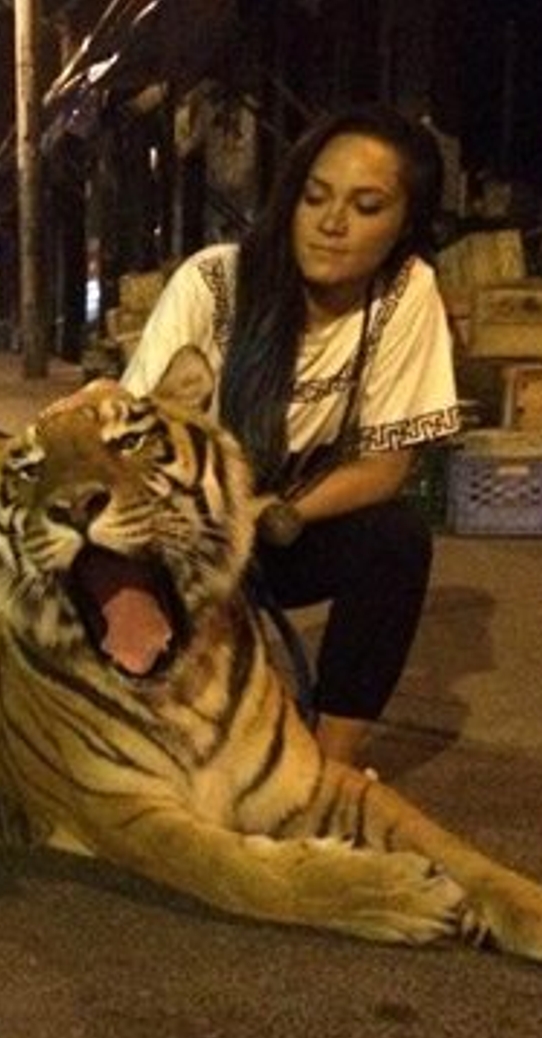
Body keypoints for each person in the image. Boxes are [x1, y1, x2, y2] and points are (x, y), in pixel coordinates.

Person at [121, 103, 462, 767]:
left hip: (274, 528)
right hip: (174, 534)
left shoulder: (406, 293)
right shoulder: (214, 283)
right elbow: (135, 441)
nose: (332, 224)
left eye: (367, 206)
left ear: (406, 225)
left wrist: (279, 513)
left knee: (395, 539)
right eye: (316, 197)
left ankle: (327, 769)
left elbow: (384, 469)